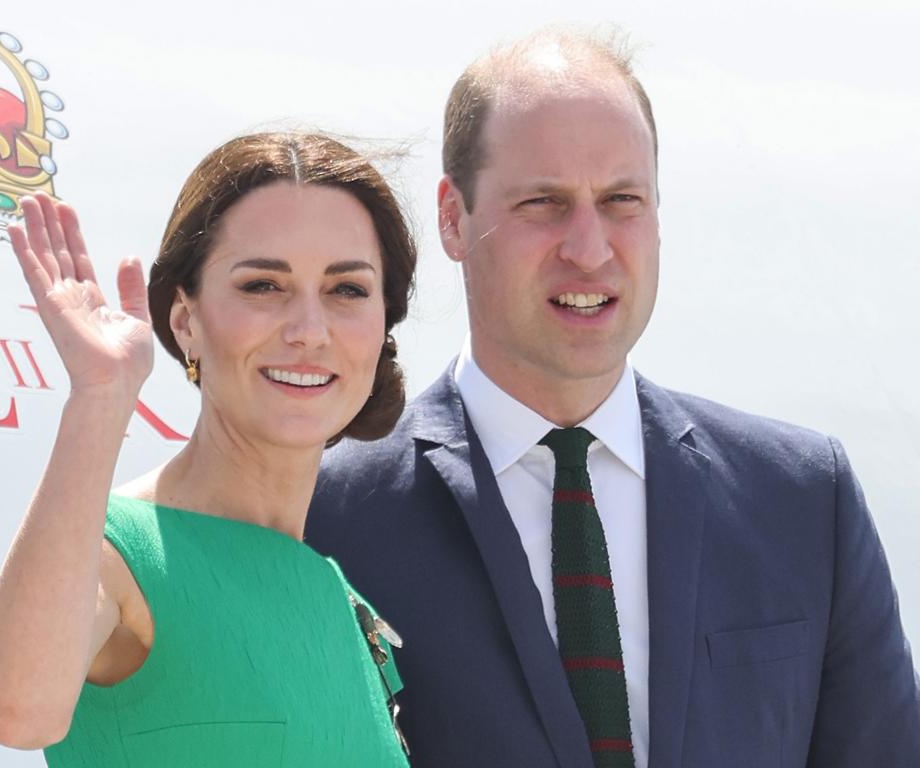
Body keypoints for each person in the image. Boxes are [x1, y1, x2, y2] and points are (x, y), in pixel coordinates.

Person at [306, 28, 920, 768]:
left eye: (621, 200)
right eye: (544, 202)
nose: (589, 247)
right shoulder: (327, 520)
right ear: (452, 217)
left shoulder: (803, 498)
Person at [0, 132, 415, 767]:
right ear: (184, 321)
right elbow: (16, 712)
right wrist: (101, 398)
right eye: (263, 285)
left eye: (347, 290)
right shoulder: (117, 550)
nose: (309, 330)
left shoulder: (336, 596)